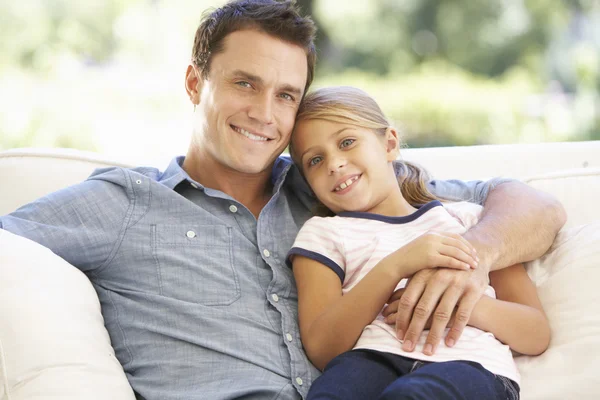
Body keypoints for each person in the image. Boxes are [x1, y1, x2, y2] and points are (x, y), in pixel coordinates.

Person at [0, 1, 564, 399]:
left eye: (286, 95)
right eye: (244, 83)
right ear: (196, 84)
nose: (265, 113)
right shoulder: (124, 206)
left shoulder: (335, 189)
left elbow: (528, 205)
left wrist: (472, 262)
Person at [287, 86, 551, 400]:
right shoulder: (322, 234)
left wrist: (462, 306)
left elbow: (536, 333)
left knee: (413, 396)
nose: (334, 164)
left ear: (389, 144)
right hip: (370, 360)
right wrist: (395, 265)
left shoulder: (471, 223)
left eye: (347, 142)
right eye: (315, 160)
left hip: (469, 365)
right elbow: (323, 348)